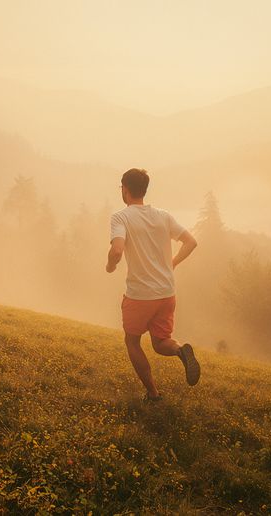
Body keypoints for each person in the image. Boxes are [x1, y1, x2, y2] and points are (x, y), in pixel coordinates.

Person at [106, 168, 200, 402]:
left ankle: (153, 393)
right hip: (167, 293)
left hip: (140, 295)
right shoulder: (163, 216)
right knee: (160, 342)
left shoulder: (121, 217)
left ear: (124, 190)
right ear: (144, 190)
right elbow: (191, 242)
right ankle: (180, 351)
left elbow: (117, 250)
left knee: (132, 341)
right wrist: (173, 264)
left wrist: (110, 265)